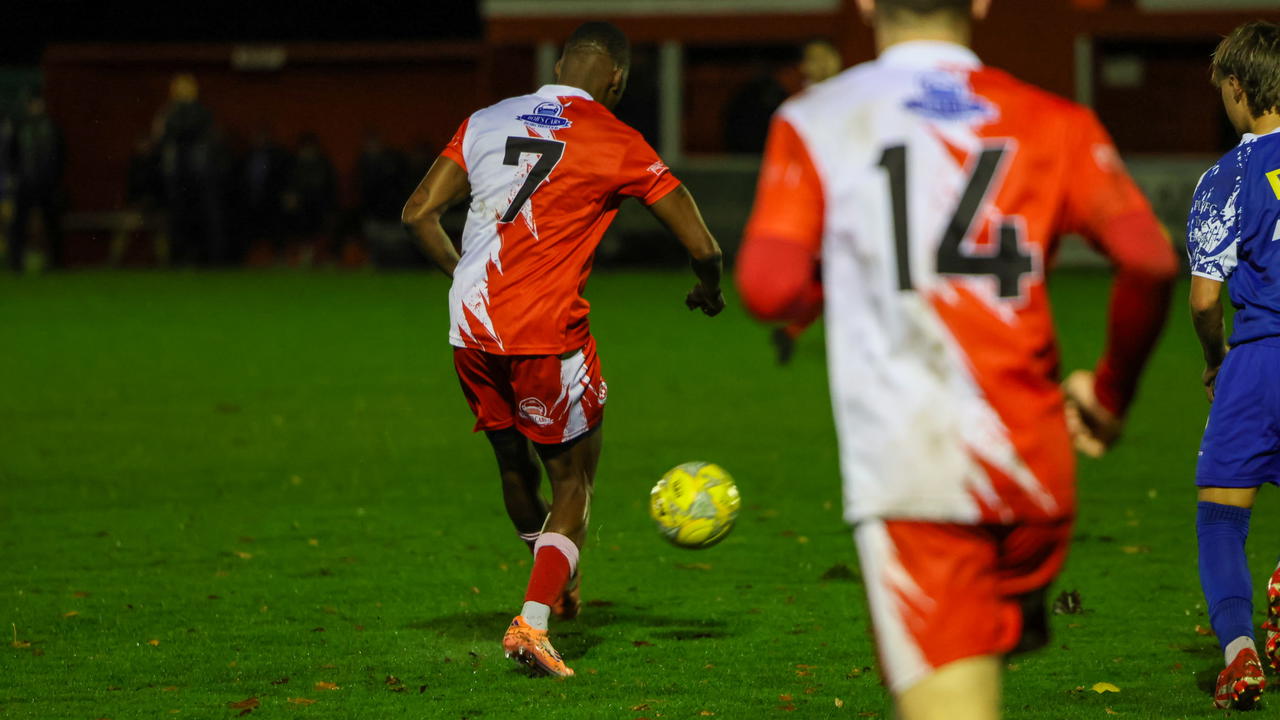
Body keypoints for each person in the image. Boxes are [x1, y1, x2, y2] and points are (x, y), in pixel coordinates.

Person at [735, 1, 1176, 718]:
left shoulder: (819, 117)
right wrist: (1110, 392)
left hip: (925, 473)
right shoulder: (1052, 118)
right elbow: (1152, 262)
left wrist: (847, 274)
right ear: (978, 2)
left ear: (868, 4)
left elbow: (766, 284)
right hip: (1036, 472)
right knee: (973, 674)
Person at [402, 21, 724, 679]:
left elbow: (416, 213)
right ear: (618, 79)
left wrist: (467, 277)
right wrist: (709, 288)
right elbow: (703, 244)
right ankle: (533, 621)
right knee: (574, 480)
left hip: (470, 326)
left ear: (557, 62)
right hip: (546, 333)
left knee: (511, 465)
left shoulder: (486, 119)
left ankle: (551, 576)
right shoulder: (615, 138)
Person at [1185, 20, 1280, 711]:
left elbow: (1203, 298)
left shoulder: (1228, 174)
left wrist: (1217, 359)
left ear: (1240, 89)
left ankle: (1240, 653)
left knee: (1221, 518)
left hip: (1256, 359)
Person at [770, 38, 845, 364]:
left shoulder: (849, 100)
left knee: (833, 279)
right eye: (813, 59)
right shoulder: (799, 110)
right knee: (834, 277)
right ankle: (804, 333)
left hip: (843, 201)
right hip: (815, 205)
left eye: (823, 58)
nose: (818, 64)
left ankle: (792, 332)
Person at [10, 92, 65, 272]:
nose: (36, 107)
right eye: (33, 104)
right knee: (20, 223)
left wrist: (55, 177)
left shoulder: (51, 127)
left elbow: (61, 155)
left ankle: (56, 262)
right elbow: (13, 154)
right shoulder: (21, 128)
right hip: (26, 182)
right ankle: (16, 262)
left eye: (38, 104)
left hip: (47, 184)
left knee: (52, 223)